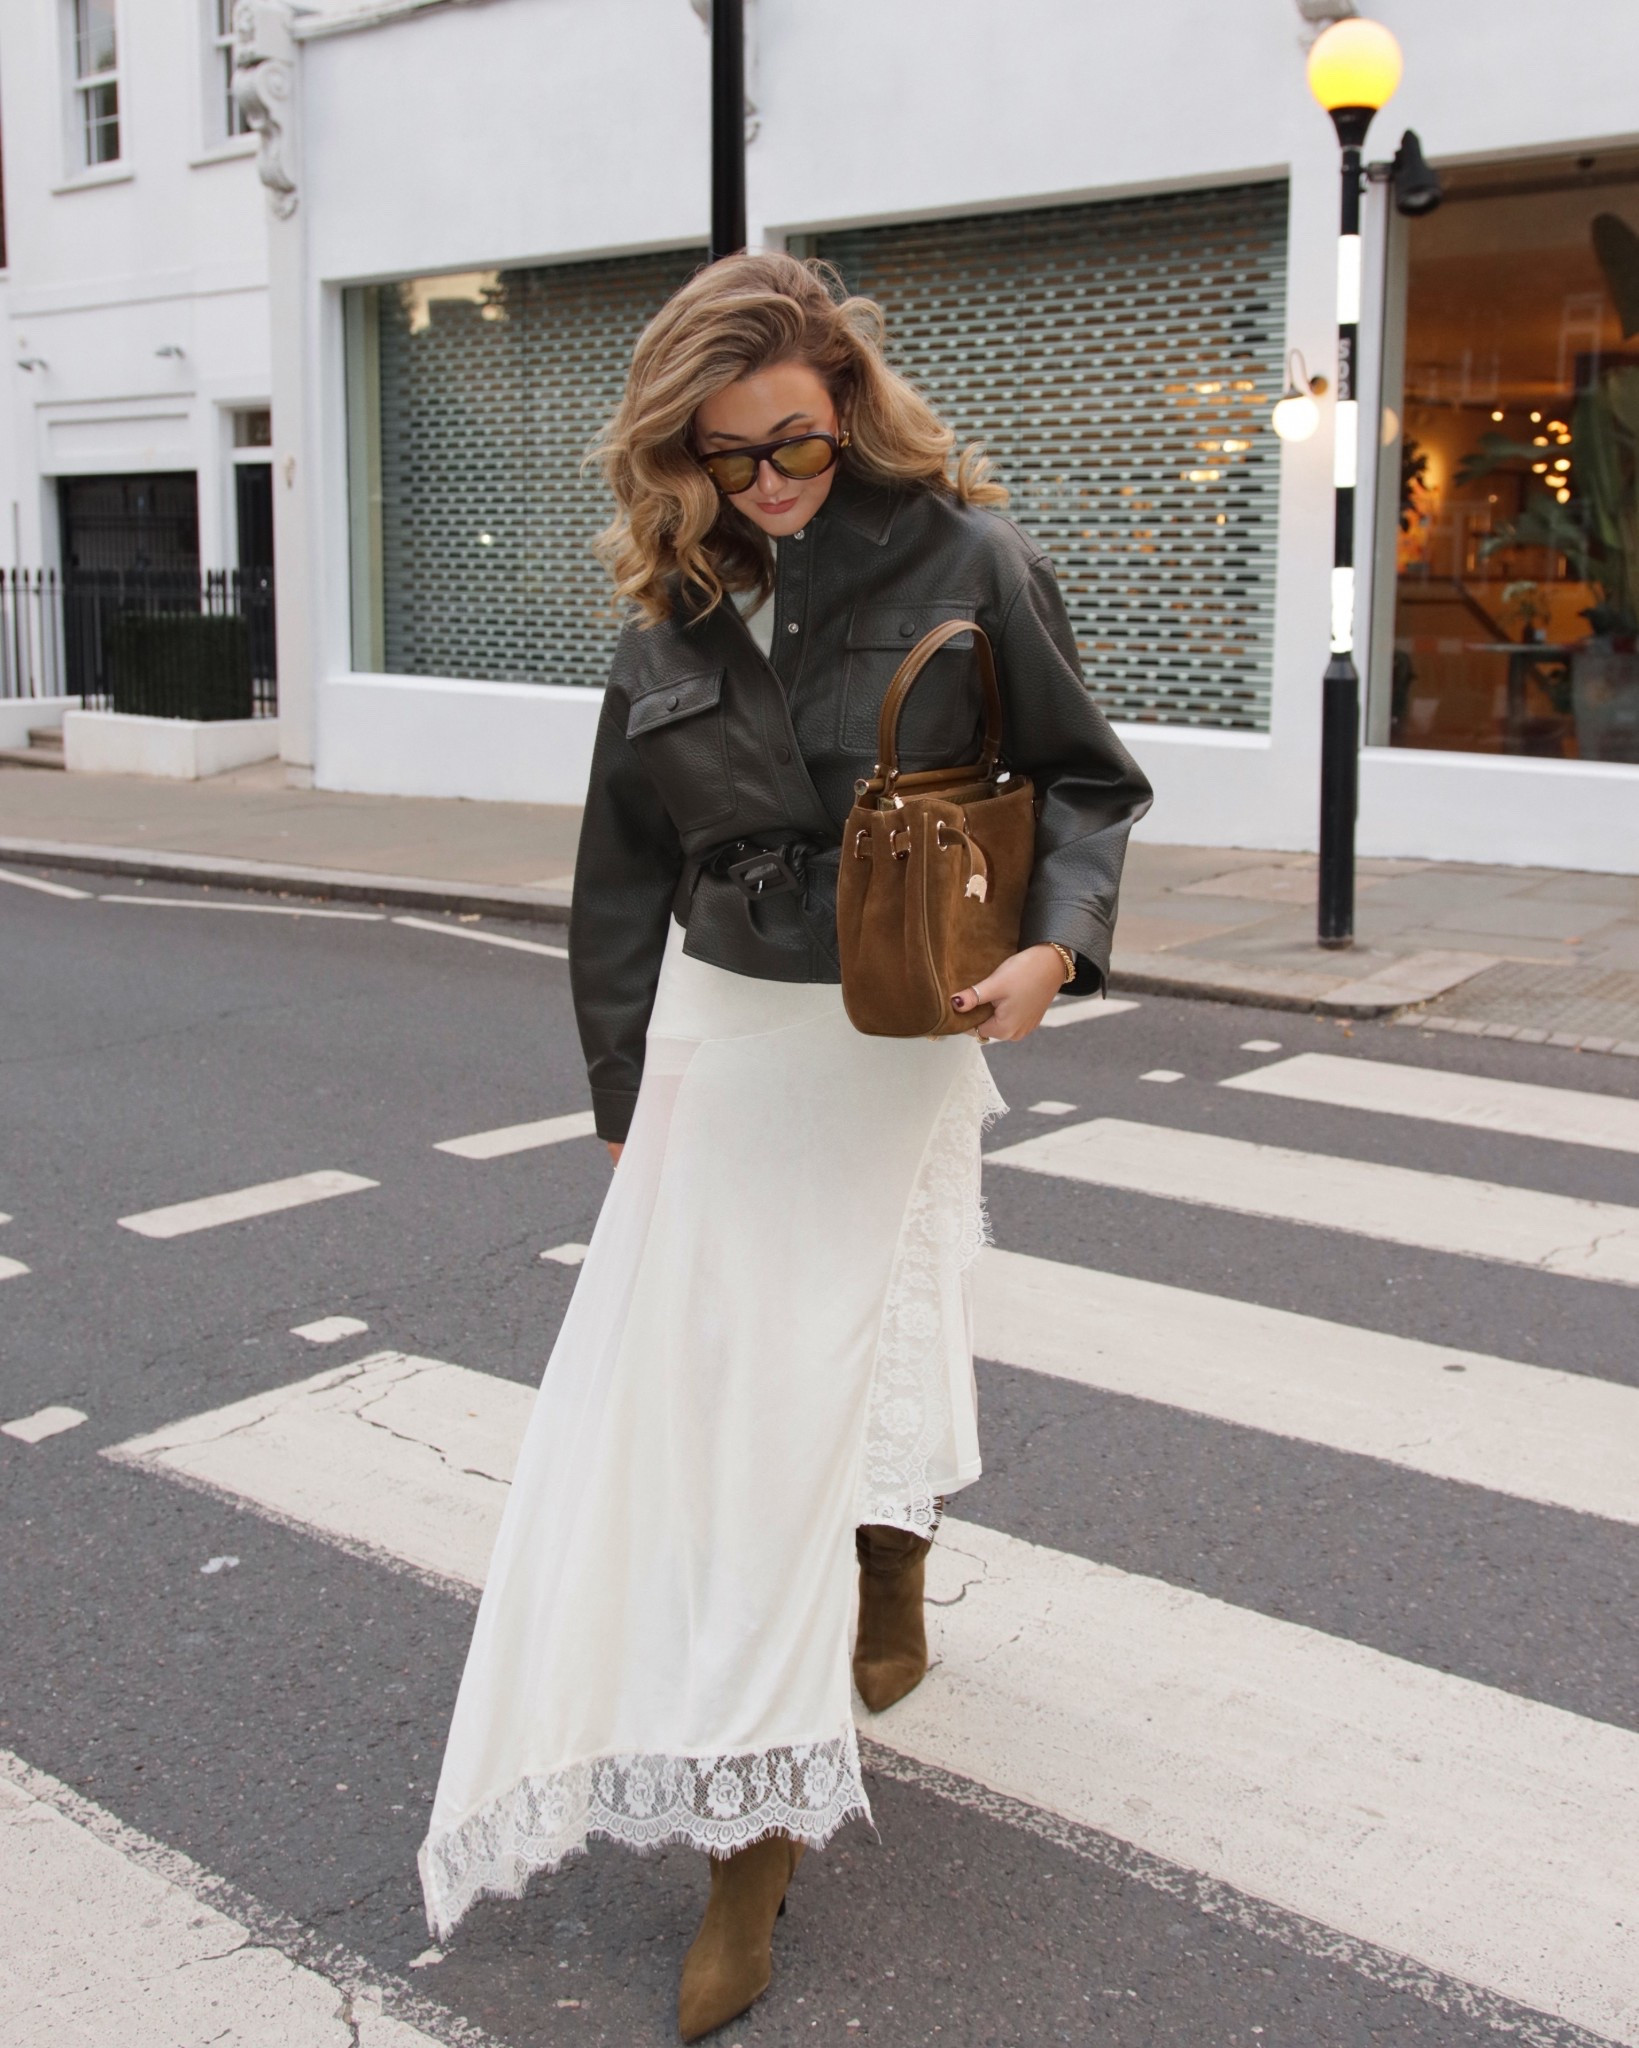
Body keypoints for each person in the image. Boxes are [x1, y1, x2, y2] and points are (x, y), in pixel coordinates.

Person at [419, 251, 1151, 2040]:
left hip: (890, 1023)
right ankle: (880, 1574)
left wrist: (1060, 945)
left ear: (851, 409)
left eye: (798, 445)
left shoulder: (969, 561)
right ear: (681, 453)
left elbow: (1089, 779)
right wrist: (616, 1090)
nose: (770, 484)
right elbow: (615, 882)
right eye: (730, 455)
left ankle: (755, 1824)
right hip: (718, 1032)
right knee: (717, 1397)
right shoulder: (663, 624)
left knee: (795, 1387)